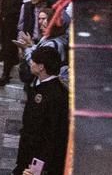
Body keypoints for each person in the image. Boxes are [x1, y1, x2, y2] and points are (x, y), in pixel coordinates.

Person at [12, 47, 69, 175]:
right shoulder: (39, 84)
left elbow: (52, 135)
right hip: (27, 152)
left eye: (33, 61)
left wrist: (37, 167)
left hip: (37, 159)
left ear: (41, 67)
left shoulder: (56, 95)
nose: (30, 63)